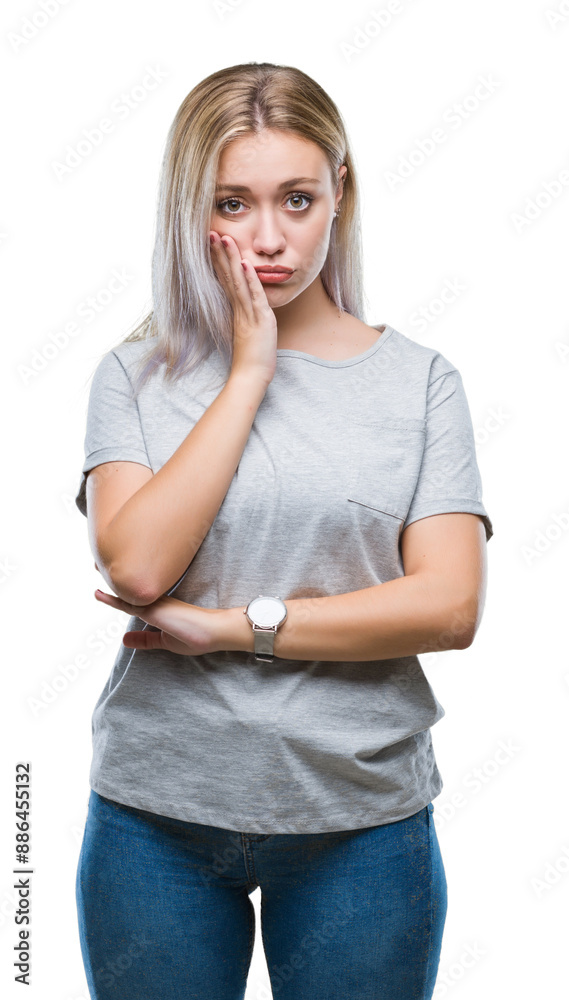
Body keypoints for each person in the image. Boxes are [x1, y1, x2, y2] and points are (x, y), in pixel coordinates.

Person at [74, 61, 493, 1000]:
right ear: (193, 208)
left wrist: (230, 628)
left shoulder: (419, 383)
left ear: (339, 193)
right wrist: (251, 365)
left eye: (297, 199)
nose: (269, 237)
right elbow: (139, 566)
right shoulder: (135, 375)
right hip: (156, 819)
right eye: (234, 202)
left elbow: (449, 604)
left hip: (362, 818)